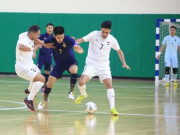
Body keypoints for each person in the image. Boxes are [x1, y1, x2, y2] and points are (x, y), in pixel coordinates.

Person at [75, 20, 130, 116]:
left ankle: (112, 108)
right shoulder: (94, 34)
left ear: (110, 31)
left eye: (106, 32)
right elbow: (81, 40)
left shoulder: (112, 40)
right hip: (91, 64)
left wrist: (124, 63)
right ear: (101, 29)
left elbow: (120, 52)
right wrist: (75, 44)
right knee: (81, 82)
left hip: (104, 66)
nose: (104, 34)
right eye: (103, 32)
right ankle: (83, 94)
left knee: (109, 85)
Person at [38, 26, 84, 109]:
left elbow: (80, 49)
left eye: (62, 37)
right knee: (49, 83)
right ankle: (44, 100)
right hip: (59, 64)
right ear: (54, 36)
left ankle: (71, 92)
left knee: (74, 69)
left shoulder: (69, 39)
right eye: (58, 38)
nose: (61, 39)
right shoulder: (51, 40)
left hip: (70, 62)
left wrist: (78, 49)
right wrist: (44, 45)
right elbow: (40, 41)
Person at [15, 25, 45, 112]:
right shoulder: (23, 40)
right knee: (42, 79)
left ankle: (29, 90)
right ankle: (29, 99)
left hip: (30, 65)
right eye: (38, 34)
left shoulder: (25, 34)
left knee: (38, 72)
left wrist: (45, 44)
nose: (39, 36)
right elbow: (20, 47)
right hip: (22, 68)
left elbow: (37, 41)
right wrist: (32, 49)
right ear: (32, 33)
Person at [24, 23, 54, 94]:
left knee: (47, 72)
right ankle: (31, 89)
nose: (50, 29)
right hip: (41, 57)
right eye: (49, 27)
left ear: (53, 29)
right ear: (46, 28)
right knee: (37, 73)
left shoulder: (54, 37)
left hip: (49, 57)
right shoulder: (42, 36)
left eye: (51, 28)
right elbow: (36, 44)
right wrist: (34, 52)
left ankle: (44, 87)